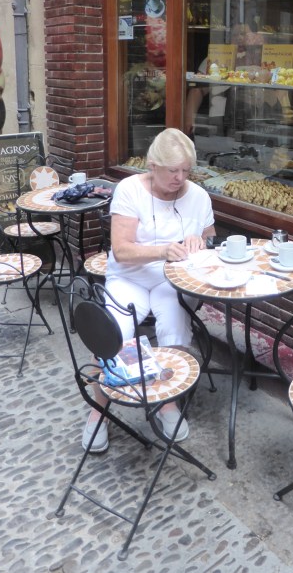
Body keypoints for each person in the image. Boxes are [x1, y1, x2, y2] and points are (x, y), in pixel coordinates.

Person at [81, 128, 216, 453]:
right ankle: (99, 410)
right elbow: (122, 250)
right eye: (173, 171)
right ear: (152, 165)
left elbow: (212, 237)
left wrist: (202, 242)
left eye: (186, 170)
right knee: (116, 330)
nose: (180, 178)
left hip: (174, 278)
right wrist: (164, 250)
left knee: (173, 322)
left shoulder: (197, 195)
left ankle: (165, 402)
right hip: (131, 275)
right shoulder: (130, 190)